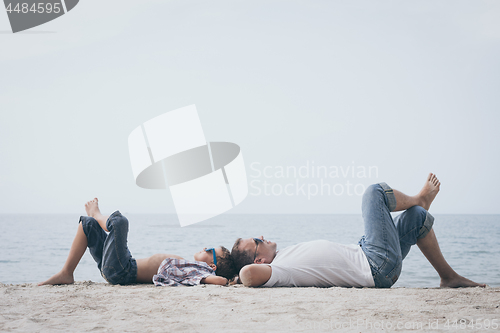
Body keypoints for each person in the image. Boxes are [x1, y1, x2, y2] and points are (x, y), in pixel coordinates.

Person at [231, 174, 486, 288]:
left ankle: (448, 277)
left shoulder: (283, 259)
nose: (261, 236)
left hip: (368, 253)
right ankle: (419, 198)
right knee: (373, 192)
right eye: (256, 240)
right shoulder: (278, 271)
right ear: (259, 259)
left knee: (417, 218)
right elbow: (248, 275)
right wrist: (235, 276)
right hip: (375, 264)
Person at [39, 198, 235, 287]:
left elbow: (218, 280)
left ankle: (97, 214)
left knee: (120, 221)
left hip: (123, 271)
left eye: (209, 250)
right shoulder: (193, 268)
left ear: (212, 265)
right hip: (121, 266)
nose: (204, 247)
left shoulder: (201, 271)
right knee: (88, 224)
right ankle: (67, 273)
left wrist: (228, 280)